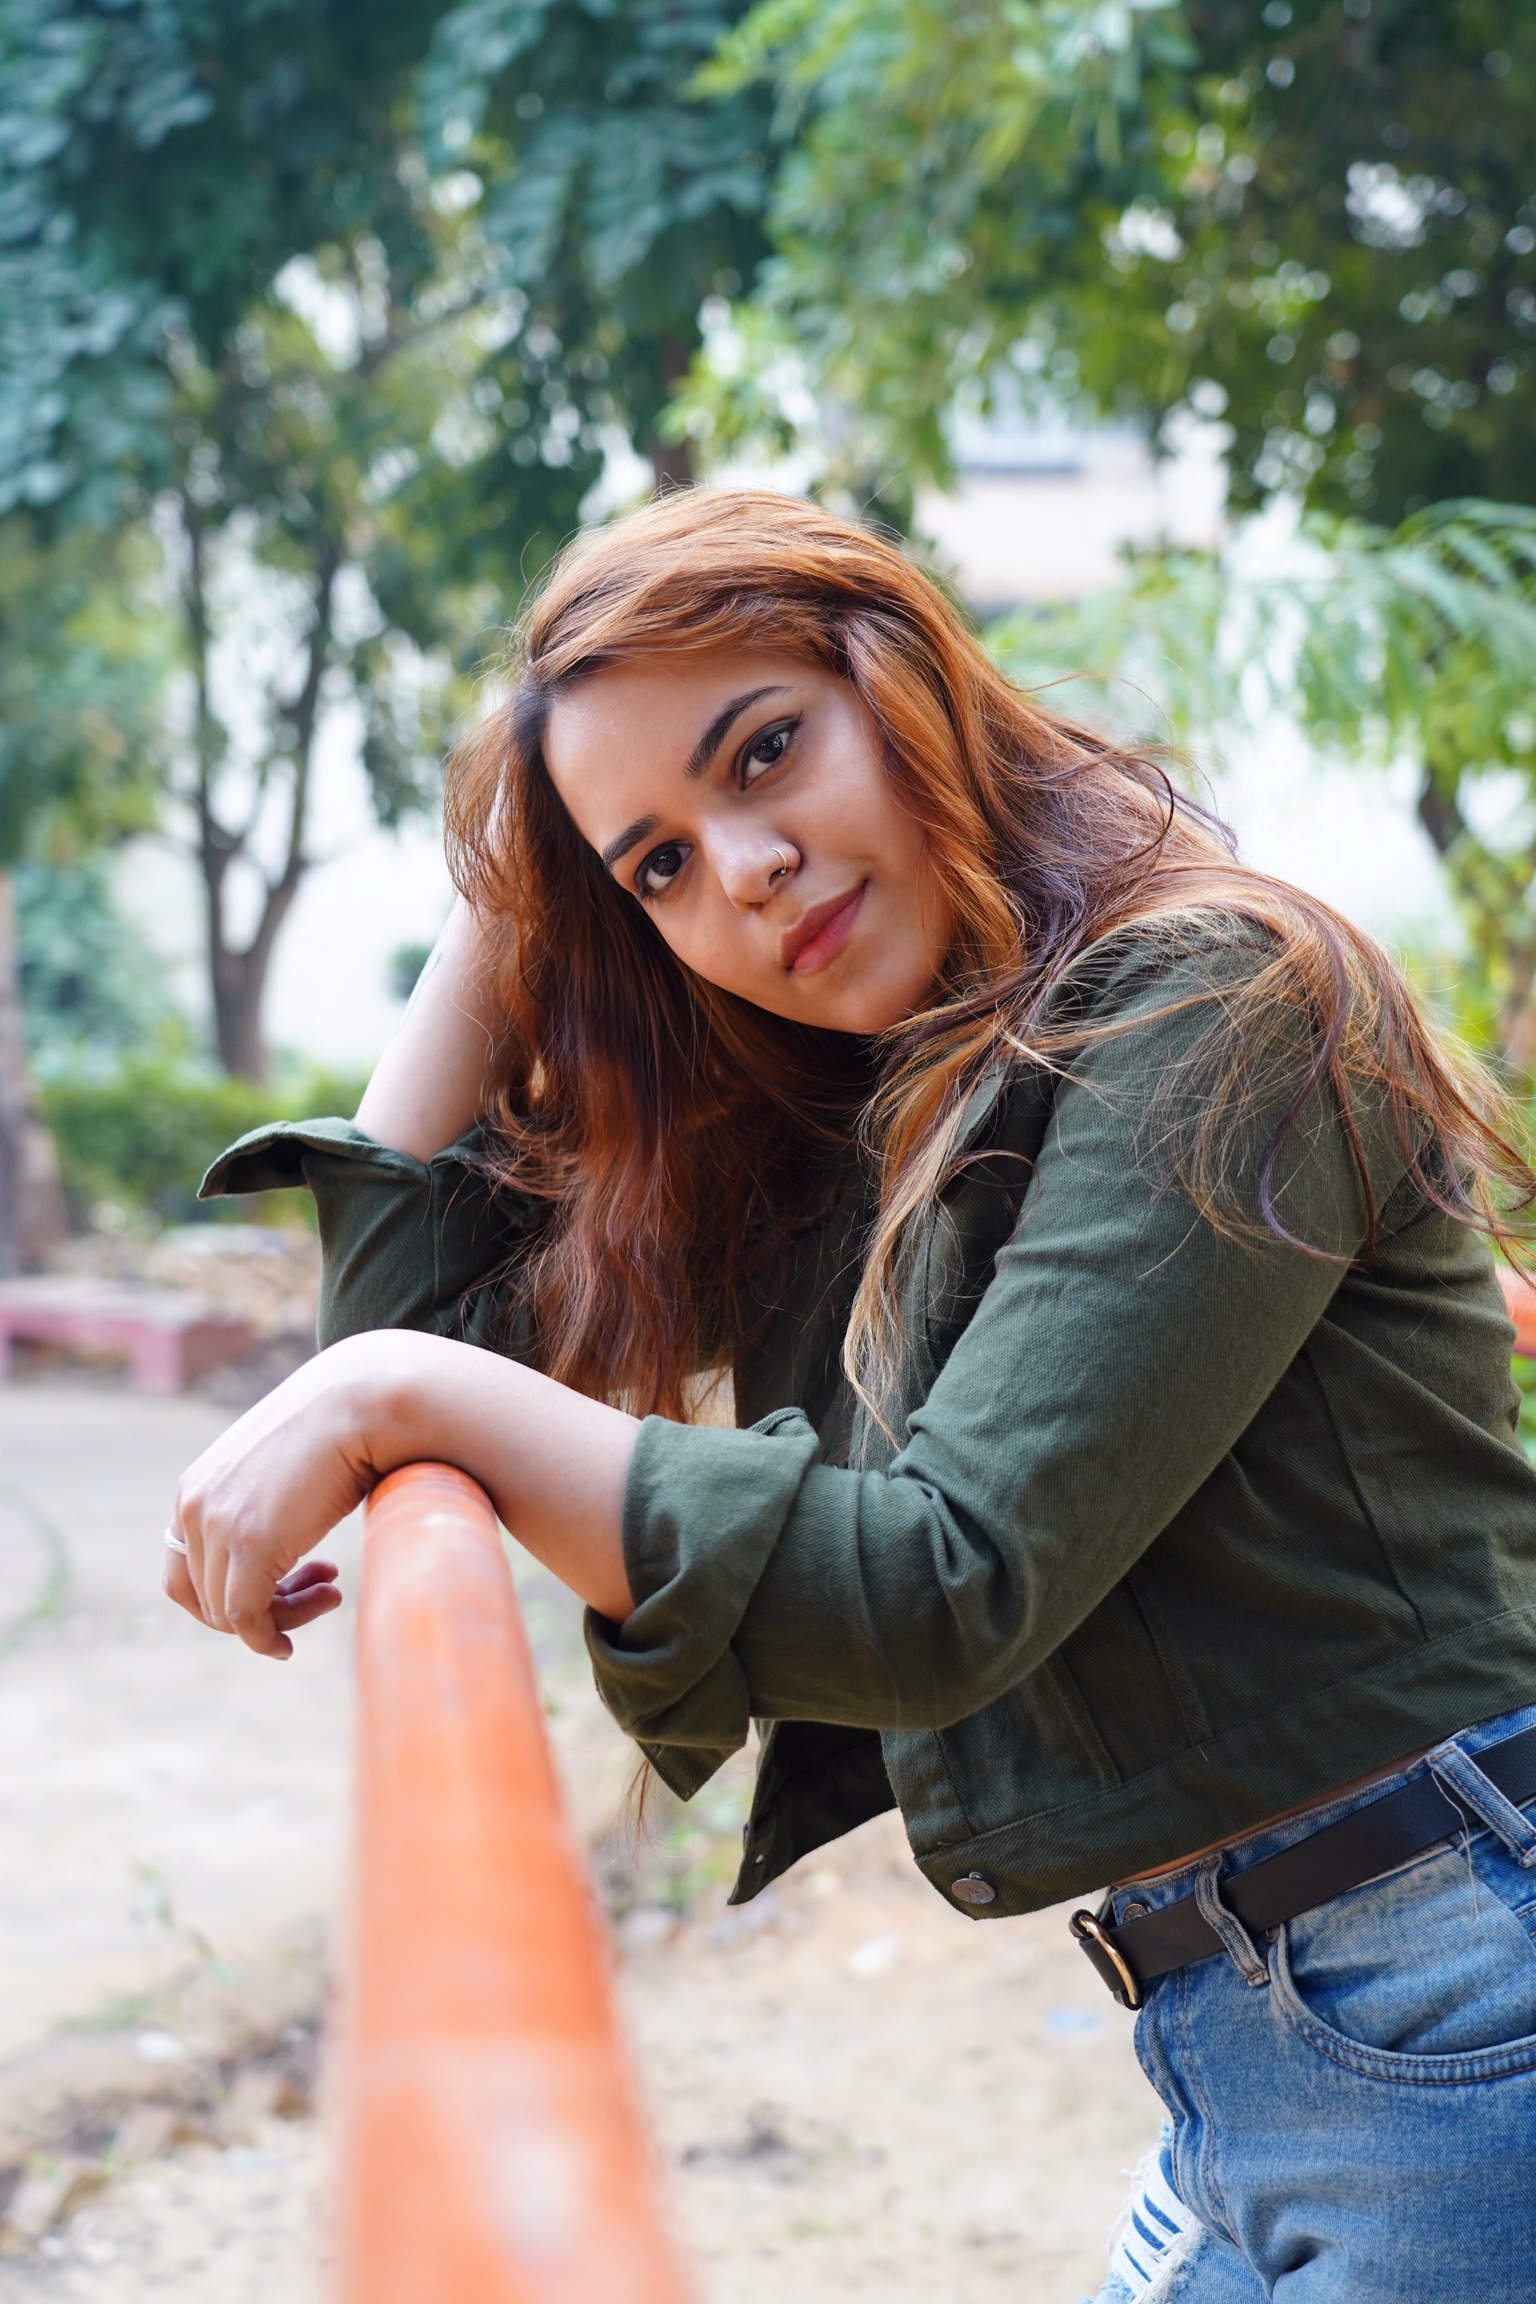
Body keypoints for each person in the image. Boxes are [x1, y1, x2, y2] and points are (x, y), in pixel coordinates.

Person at [166, 490, 1536, 2301]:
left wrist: (389, 1391)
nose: (742, 871)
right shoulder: (866, 1100)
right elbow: (426, 1324)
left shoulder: (1219, 997)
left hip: (1459, 2005)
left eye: (765, 751)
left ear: (908, 684)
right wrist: (520, 885)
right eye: (658, 867)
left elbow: (936, 1584)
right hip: (1271, 2025)